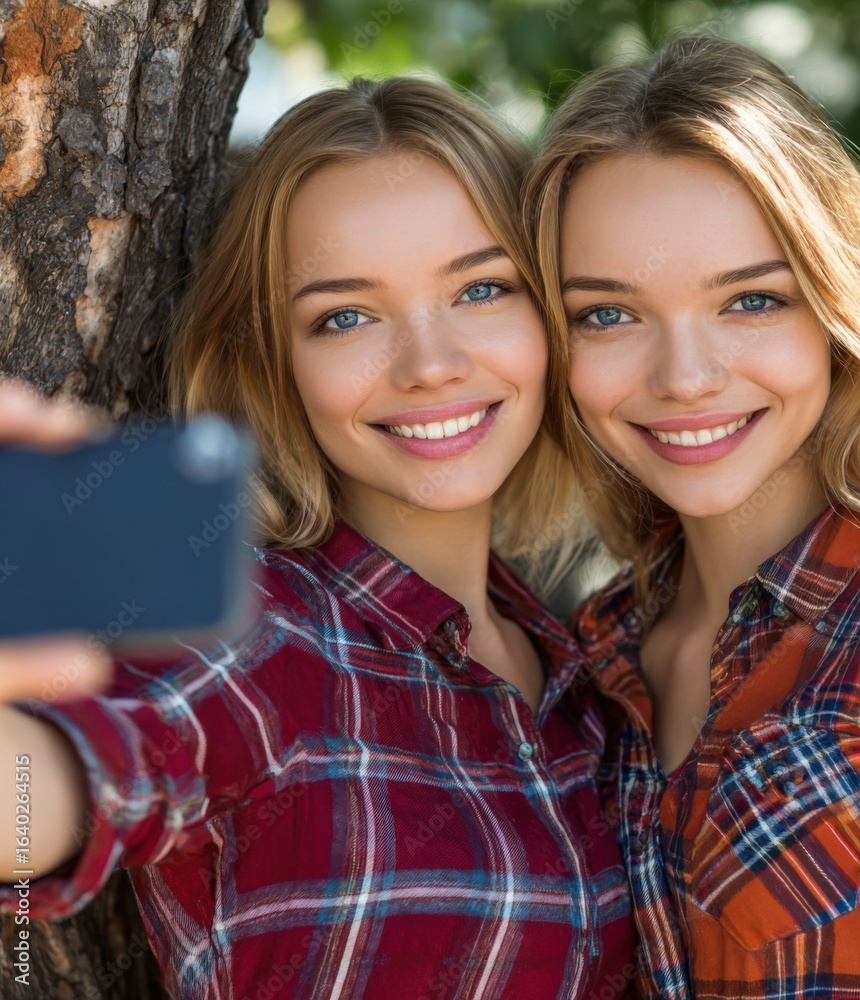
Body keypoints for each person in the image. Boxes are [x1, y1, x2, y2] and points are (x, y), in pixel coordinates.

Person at [0, 77, 638, 999]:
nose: (430, 364)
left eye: (481, 288)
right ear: (273, 363)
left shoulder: (596, 682)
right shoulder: (253, 635)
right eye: (345, 316)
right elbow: (42, 788)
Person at [526, 33, 860, 999]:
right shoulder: (589, 654)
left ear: (837, 306)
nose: (686, 378)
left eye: (750, 300)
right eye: (608, 314)